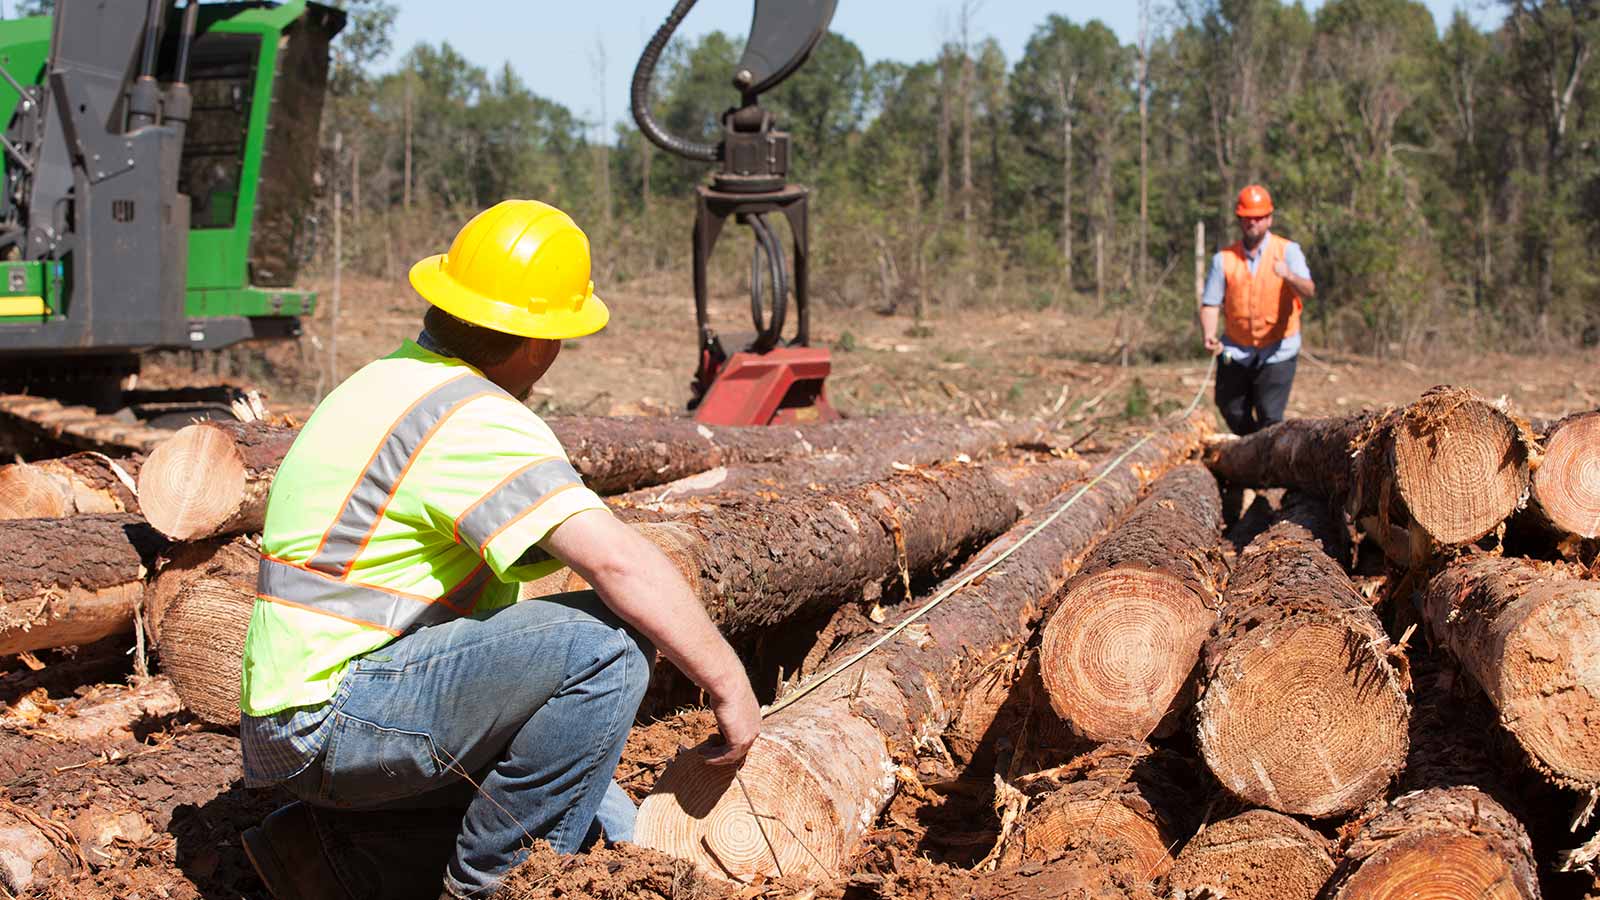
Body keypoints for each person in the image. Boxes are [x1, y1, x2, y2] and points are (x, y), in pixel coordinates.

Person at [236, 199, 761, 900]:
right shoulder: (472, 418)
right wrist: (729, 682)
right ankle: (498, 890)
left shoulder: (385, 381)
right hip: (336, 716)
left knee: (600, 826)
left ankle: (329, 856)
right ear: (542, 342)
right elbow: (617, 562)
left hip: (298, 716)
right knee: (603, 649)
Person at [1198, 184, 1316, 435]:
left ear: (1269, 218)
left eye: (1259, 217)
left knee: (1269, 415)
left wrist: (1289, 276)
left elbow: (1308, 290)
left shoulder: (1287, 251)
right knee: (1231, 408)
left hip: (1278, 350)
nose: (1253, 222)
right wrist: (1209, 333)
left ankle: (1268, 467)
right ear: (1239, 218)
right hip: (1236, 349)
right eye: (1248, 217)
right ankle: (1250, 454)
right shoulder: (1224, 259)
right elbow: (1210, 303)